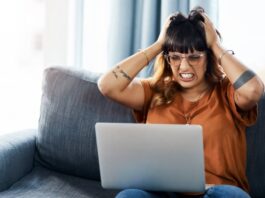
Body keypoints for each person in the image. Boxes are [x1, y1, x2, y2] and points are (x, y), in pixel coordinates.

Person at [97, 6, 264, 198]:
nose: (184, 66)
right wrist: (159, 45)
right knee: (129, 195)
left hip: (216, 192)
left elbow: (253, 90)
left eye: (194, 57)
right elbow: (107, 85)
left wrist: (216, 46)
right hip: (163, 192)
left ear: (209, 58)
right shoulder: (154, 91)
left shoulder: (227, 92)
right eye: (175, 57)